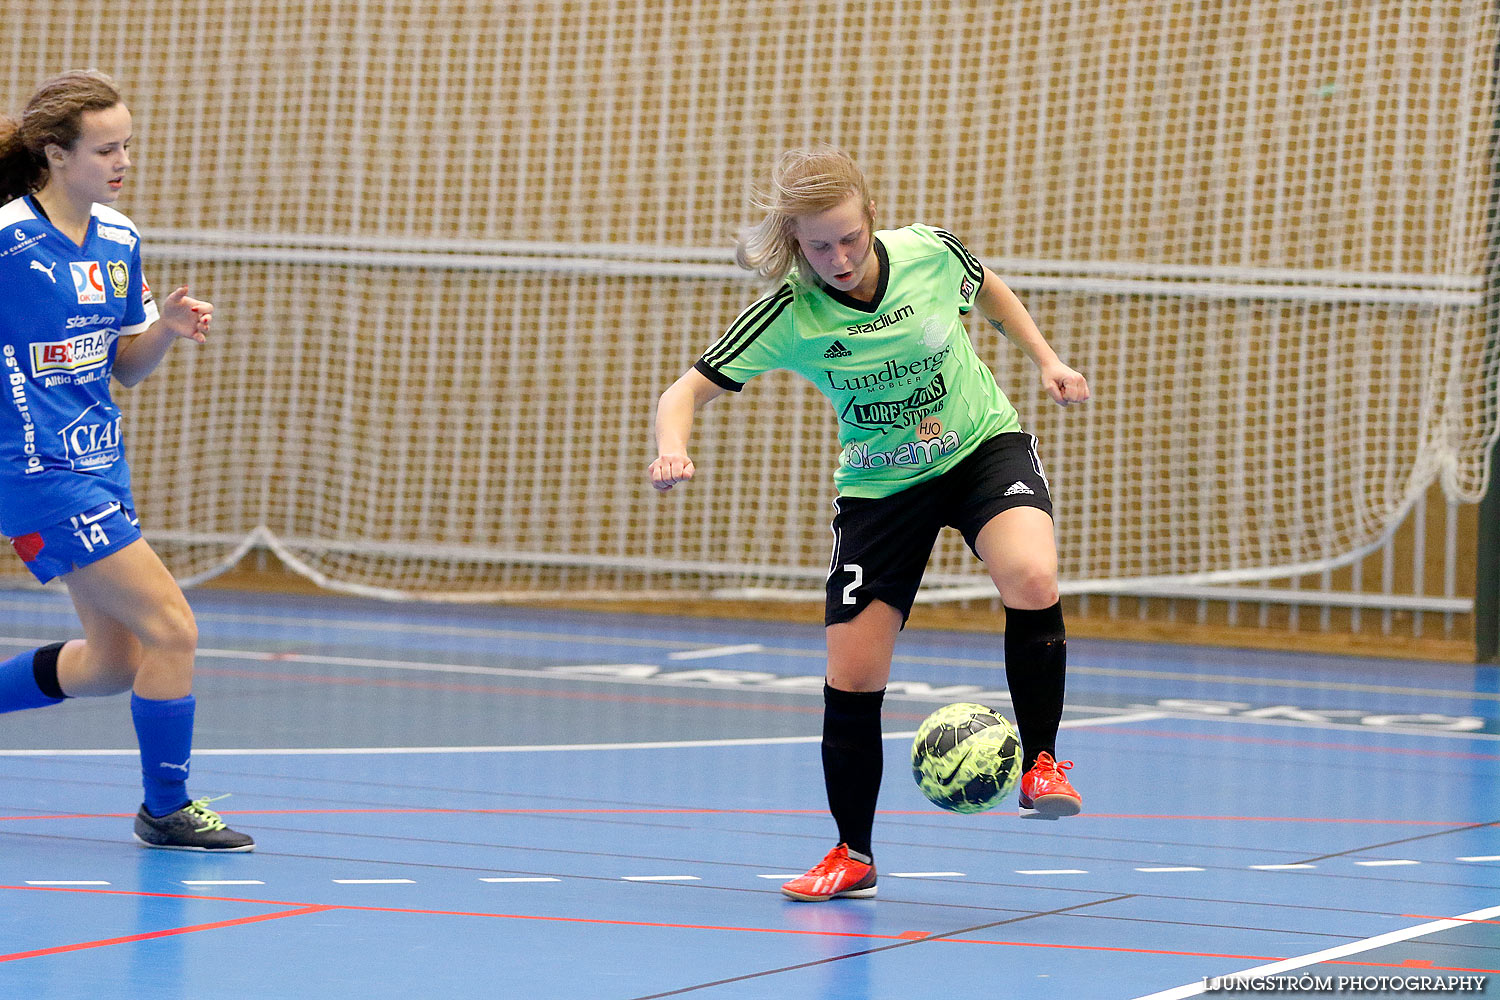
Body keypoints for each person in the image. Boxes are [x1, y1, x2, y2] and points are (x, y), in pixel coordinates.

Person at [649, 146, 1089, 901]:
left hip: (982, 447)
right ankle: (853, 853)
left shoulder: (929, 253)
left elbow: (992, 293)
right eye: (818, 246)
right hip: (881, 489)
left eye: (849, 238)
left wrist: (1046, 359)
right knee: (853, 676)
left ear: (870, 219)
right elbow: (681, 393)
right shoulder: (792, 311)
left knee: (1032, 574)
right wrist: (671, 451)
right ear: (795, 242)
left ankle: (1042, 761)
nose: (839, 257)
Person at [0, 70, 252, 851]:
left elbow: (126, 369)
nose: (123, 162)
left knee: (113, 663)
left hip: (101, 462)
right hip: (35, 472)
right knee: (173, 627)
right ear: (54, 154)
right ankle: (164, 808)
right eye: (106, 148)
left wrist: (167, 328)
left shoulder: (118, 238)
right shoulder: (8, 238)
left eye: (127, 146)